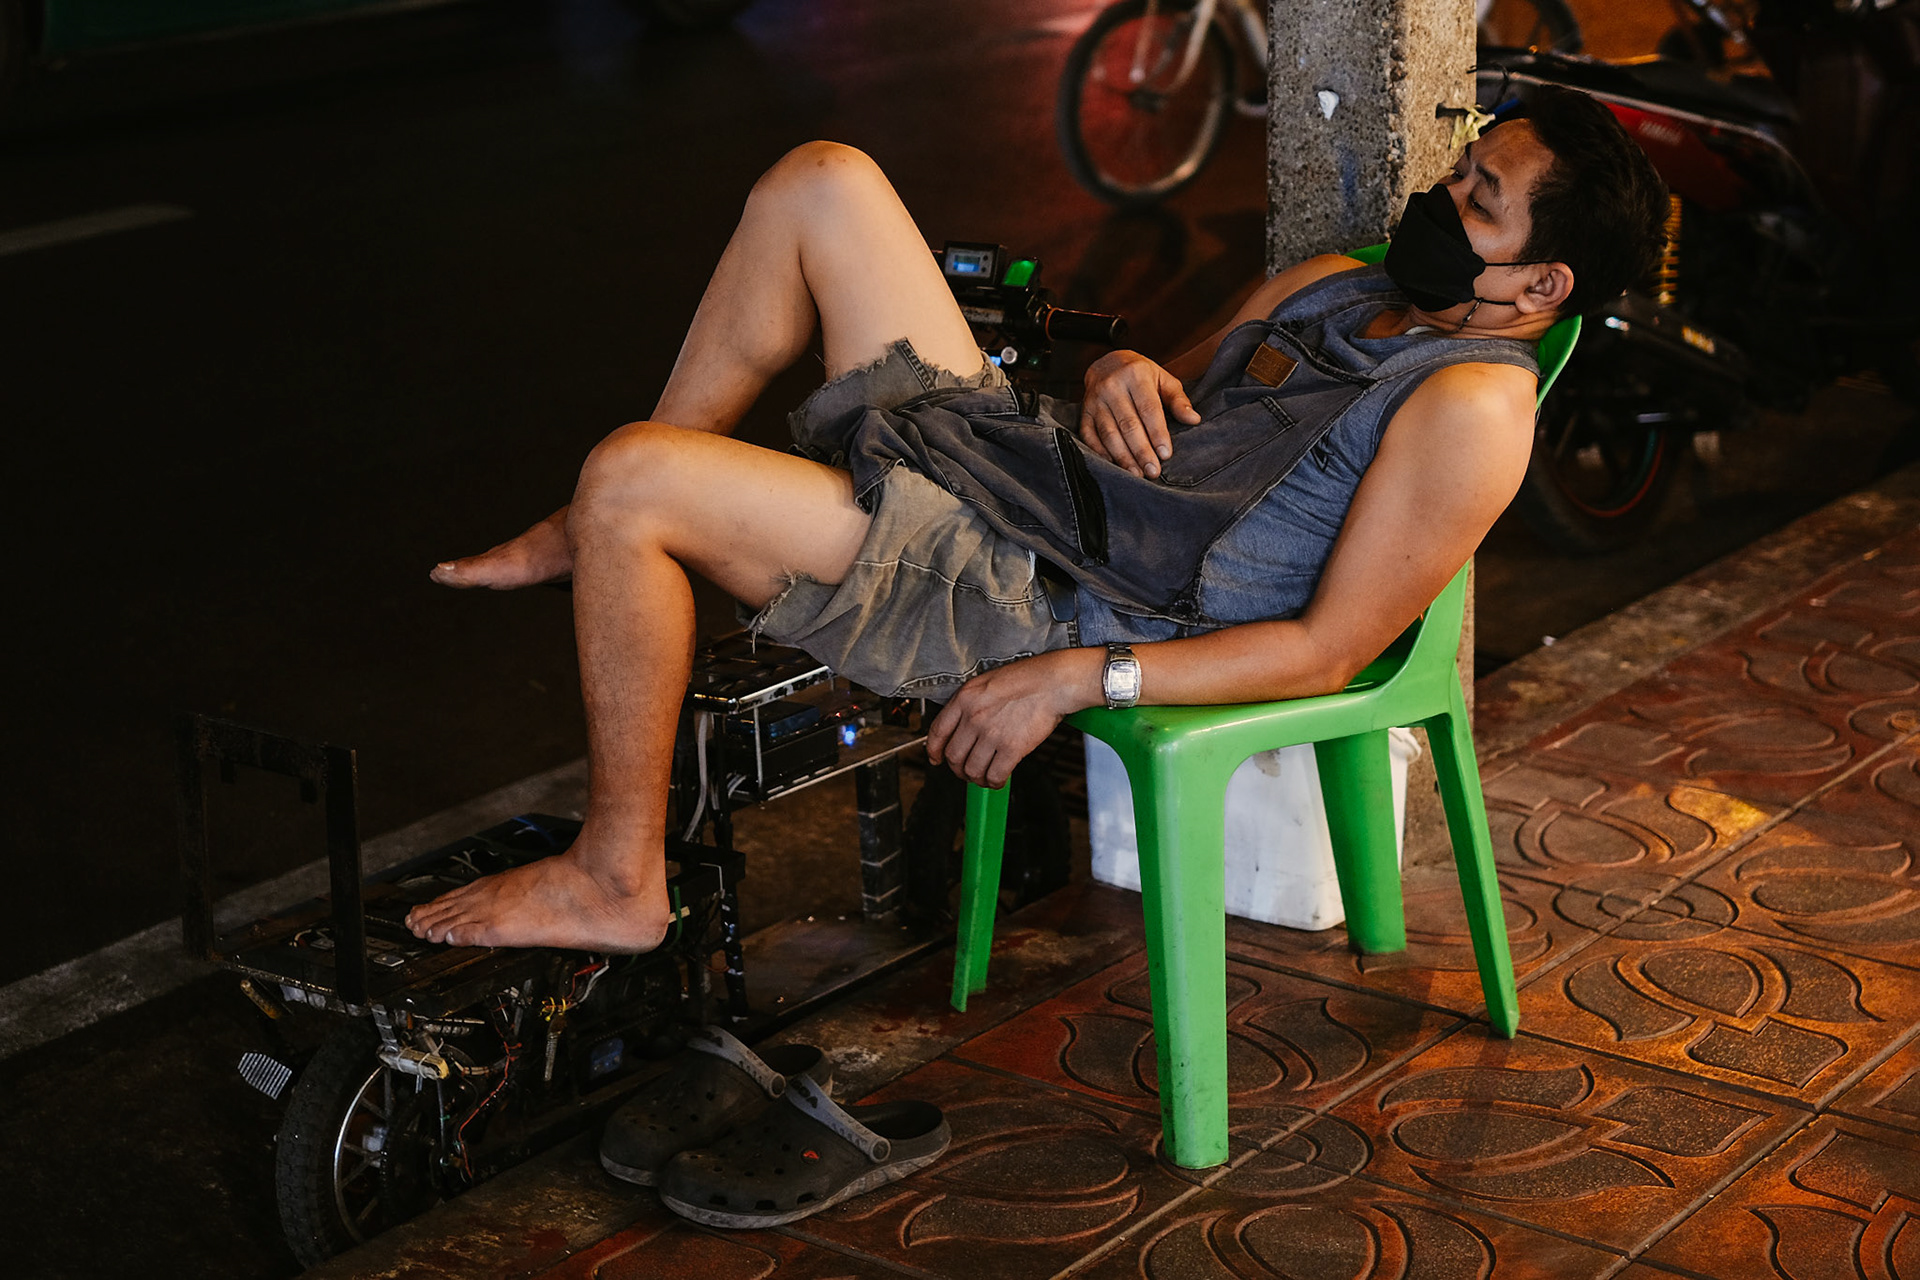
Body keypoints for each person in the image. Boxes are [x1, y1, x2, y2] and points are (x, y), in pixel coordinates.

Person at [404, 86, 1667, 954]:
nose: (1440, 200)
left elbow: (1328, 652)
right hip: (1042, 481)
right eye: (1460, 169)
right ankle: (592, 528)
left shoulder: (1469, 411)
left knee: (638, 474)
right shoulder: (1342, 285)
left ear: (1541, 285)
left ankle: (620, 873)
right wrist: (1125, 369)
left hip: (1037, 594)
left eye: (1479, 200)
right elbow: (1168, 404)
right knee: (821, 182)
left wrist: (1074, 675)